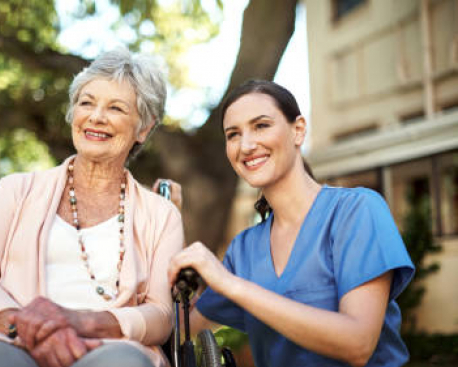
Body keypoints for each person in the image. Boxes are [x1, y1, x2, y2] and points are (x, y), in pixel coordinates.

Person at [0, 48, 184, 367]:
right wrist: (27, 327)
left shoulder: (161, 214)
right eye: (86, 103)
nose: (96, 117)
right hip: (6, 339)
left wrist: (79, 322)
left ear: (143, 128)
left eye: (116, 108)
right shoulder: (16, 190)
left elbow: (161, 315)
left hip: (110, 348)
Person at [166, 80, 415, 367]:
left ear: (298, 130)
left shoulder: (356, 210)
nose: (246, 145)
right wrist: (167, 221)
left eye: (261, 126)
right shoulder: (245, 250)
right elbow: (182, 327)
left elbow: (358, 344)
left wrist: (231, 285)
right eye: (233, 134)